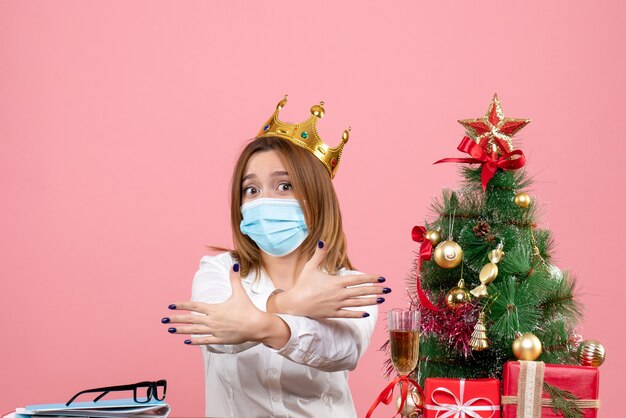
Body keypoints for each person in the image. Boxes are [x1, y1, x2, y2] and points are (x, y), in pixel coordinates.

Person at [162, 96, 391, 418]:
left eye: (284, 186)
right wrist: (289, 304)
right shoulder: (218, 270)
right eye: (251, 190)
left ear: (316, 196)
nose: (264, 200)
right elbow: (218, 337)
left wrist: (258, 322)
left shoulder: (349, 286)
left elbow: (341, 352)